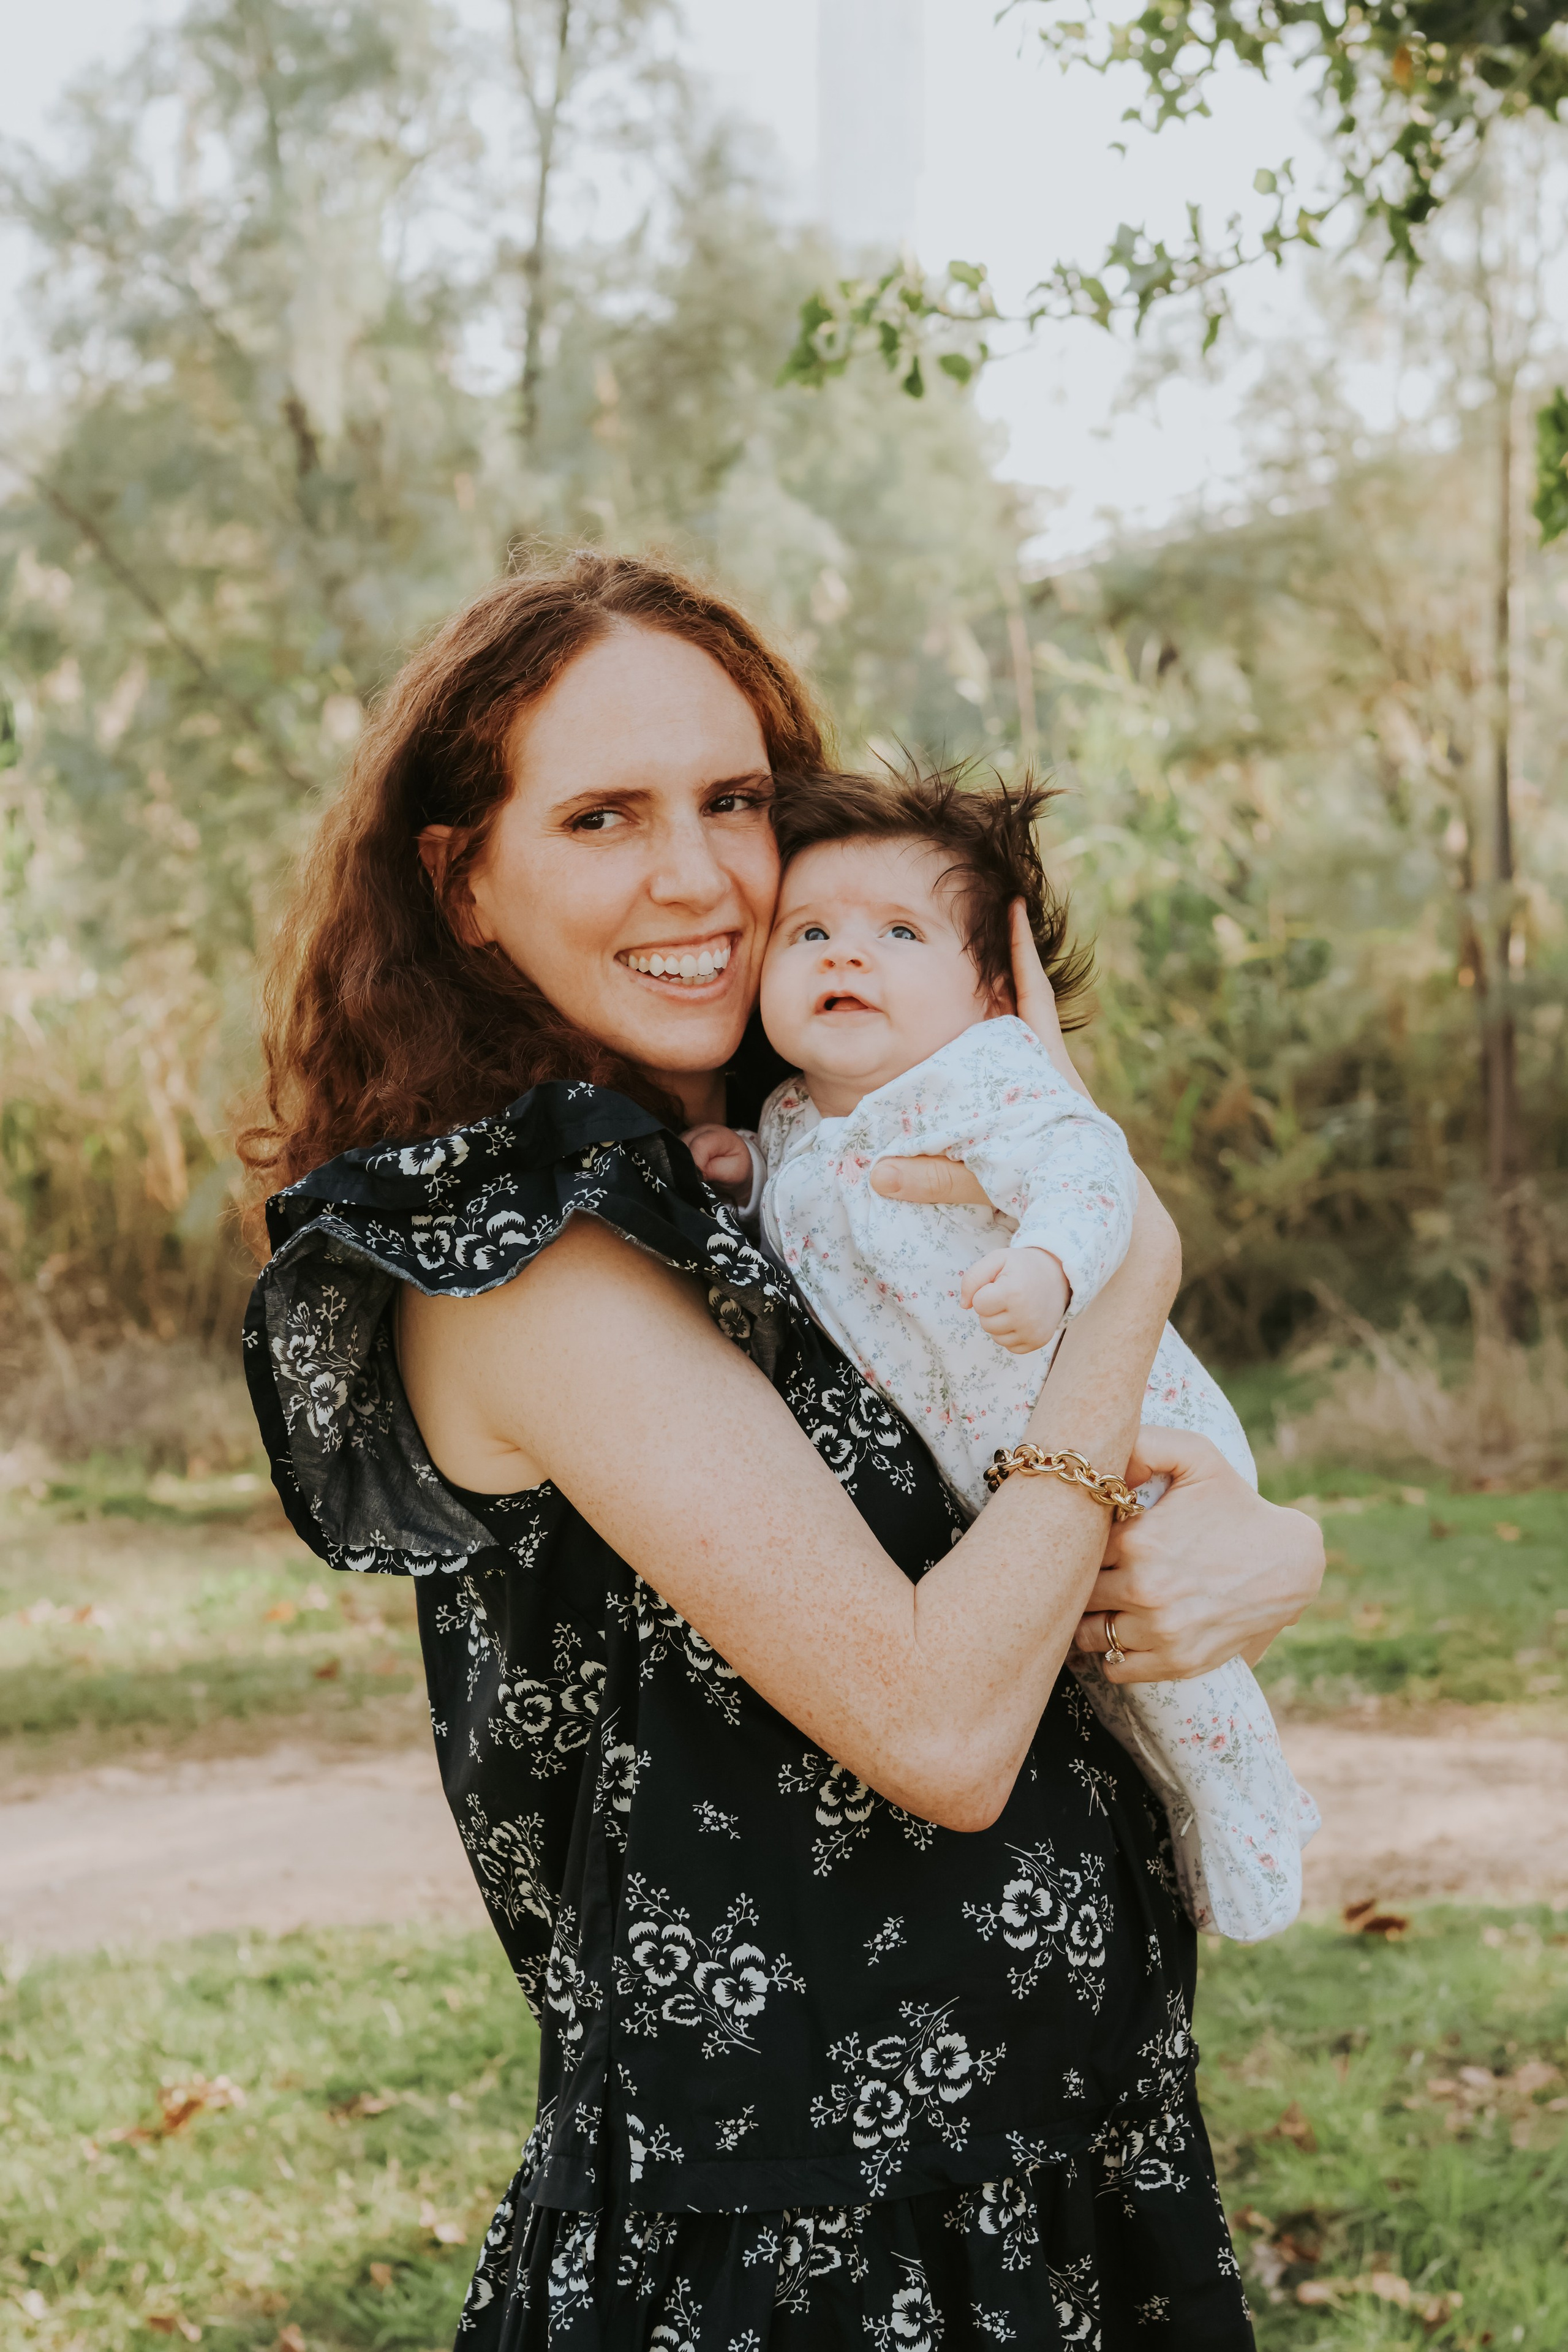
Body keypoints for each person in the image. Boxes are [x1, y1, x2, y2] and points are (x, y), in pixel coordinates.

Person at [238, 551, 1324, 2351]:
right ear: (466, 881)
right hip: (800, 2260)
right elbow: (939, 1726)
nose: (701, 879)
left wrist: (1276, 1545)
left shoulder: (792, 1175)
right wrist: (1127, 1260)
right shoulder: (524, 1253)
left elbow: (1041, 1500)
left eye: (733, 800)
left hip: (1059, 2176)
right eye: (601, 816)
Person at [683, 762, 1318, 1945]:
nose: (844, 956)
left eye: (897, 932)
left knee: (1172, 1672)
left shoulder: (983, 1079)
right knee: (1090, 1674)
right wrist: (735, 1177)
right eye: (809, 931)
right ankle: (1178, 1846)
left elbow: (1084, 1168)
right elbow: (799, 1219)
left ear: (986, 988)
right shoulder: (784, 1119)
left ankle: (1252, 1826)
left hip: (1118, 1423)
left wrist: (1051, 1267)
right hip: (1000, 1463)